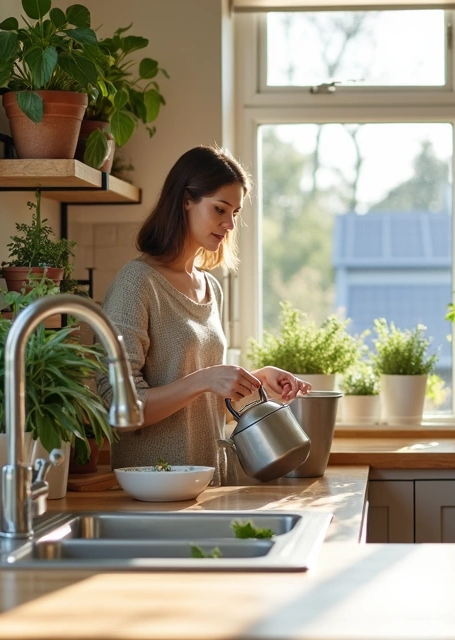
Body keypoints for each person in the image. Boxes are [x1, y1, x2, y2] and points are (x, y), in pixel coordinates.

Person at [97, 145, 310, 480]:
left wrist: (254, 381)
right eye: (219, 209)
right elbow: (119, 408)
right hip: (153, 488)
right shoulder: (137, 283)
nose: (229, 224)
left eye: (235, 213)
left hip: (206, 482)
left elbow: (199, 400)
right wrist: (205, 380)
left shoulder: (211, 288)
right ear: (186, 200)